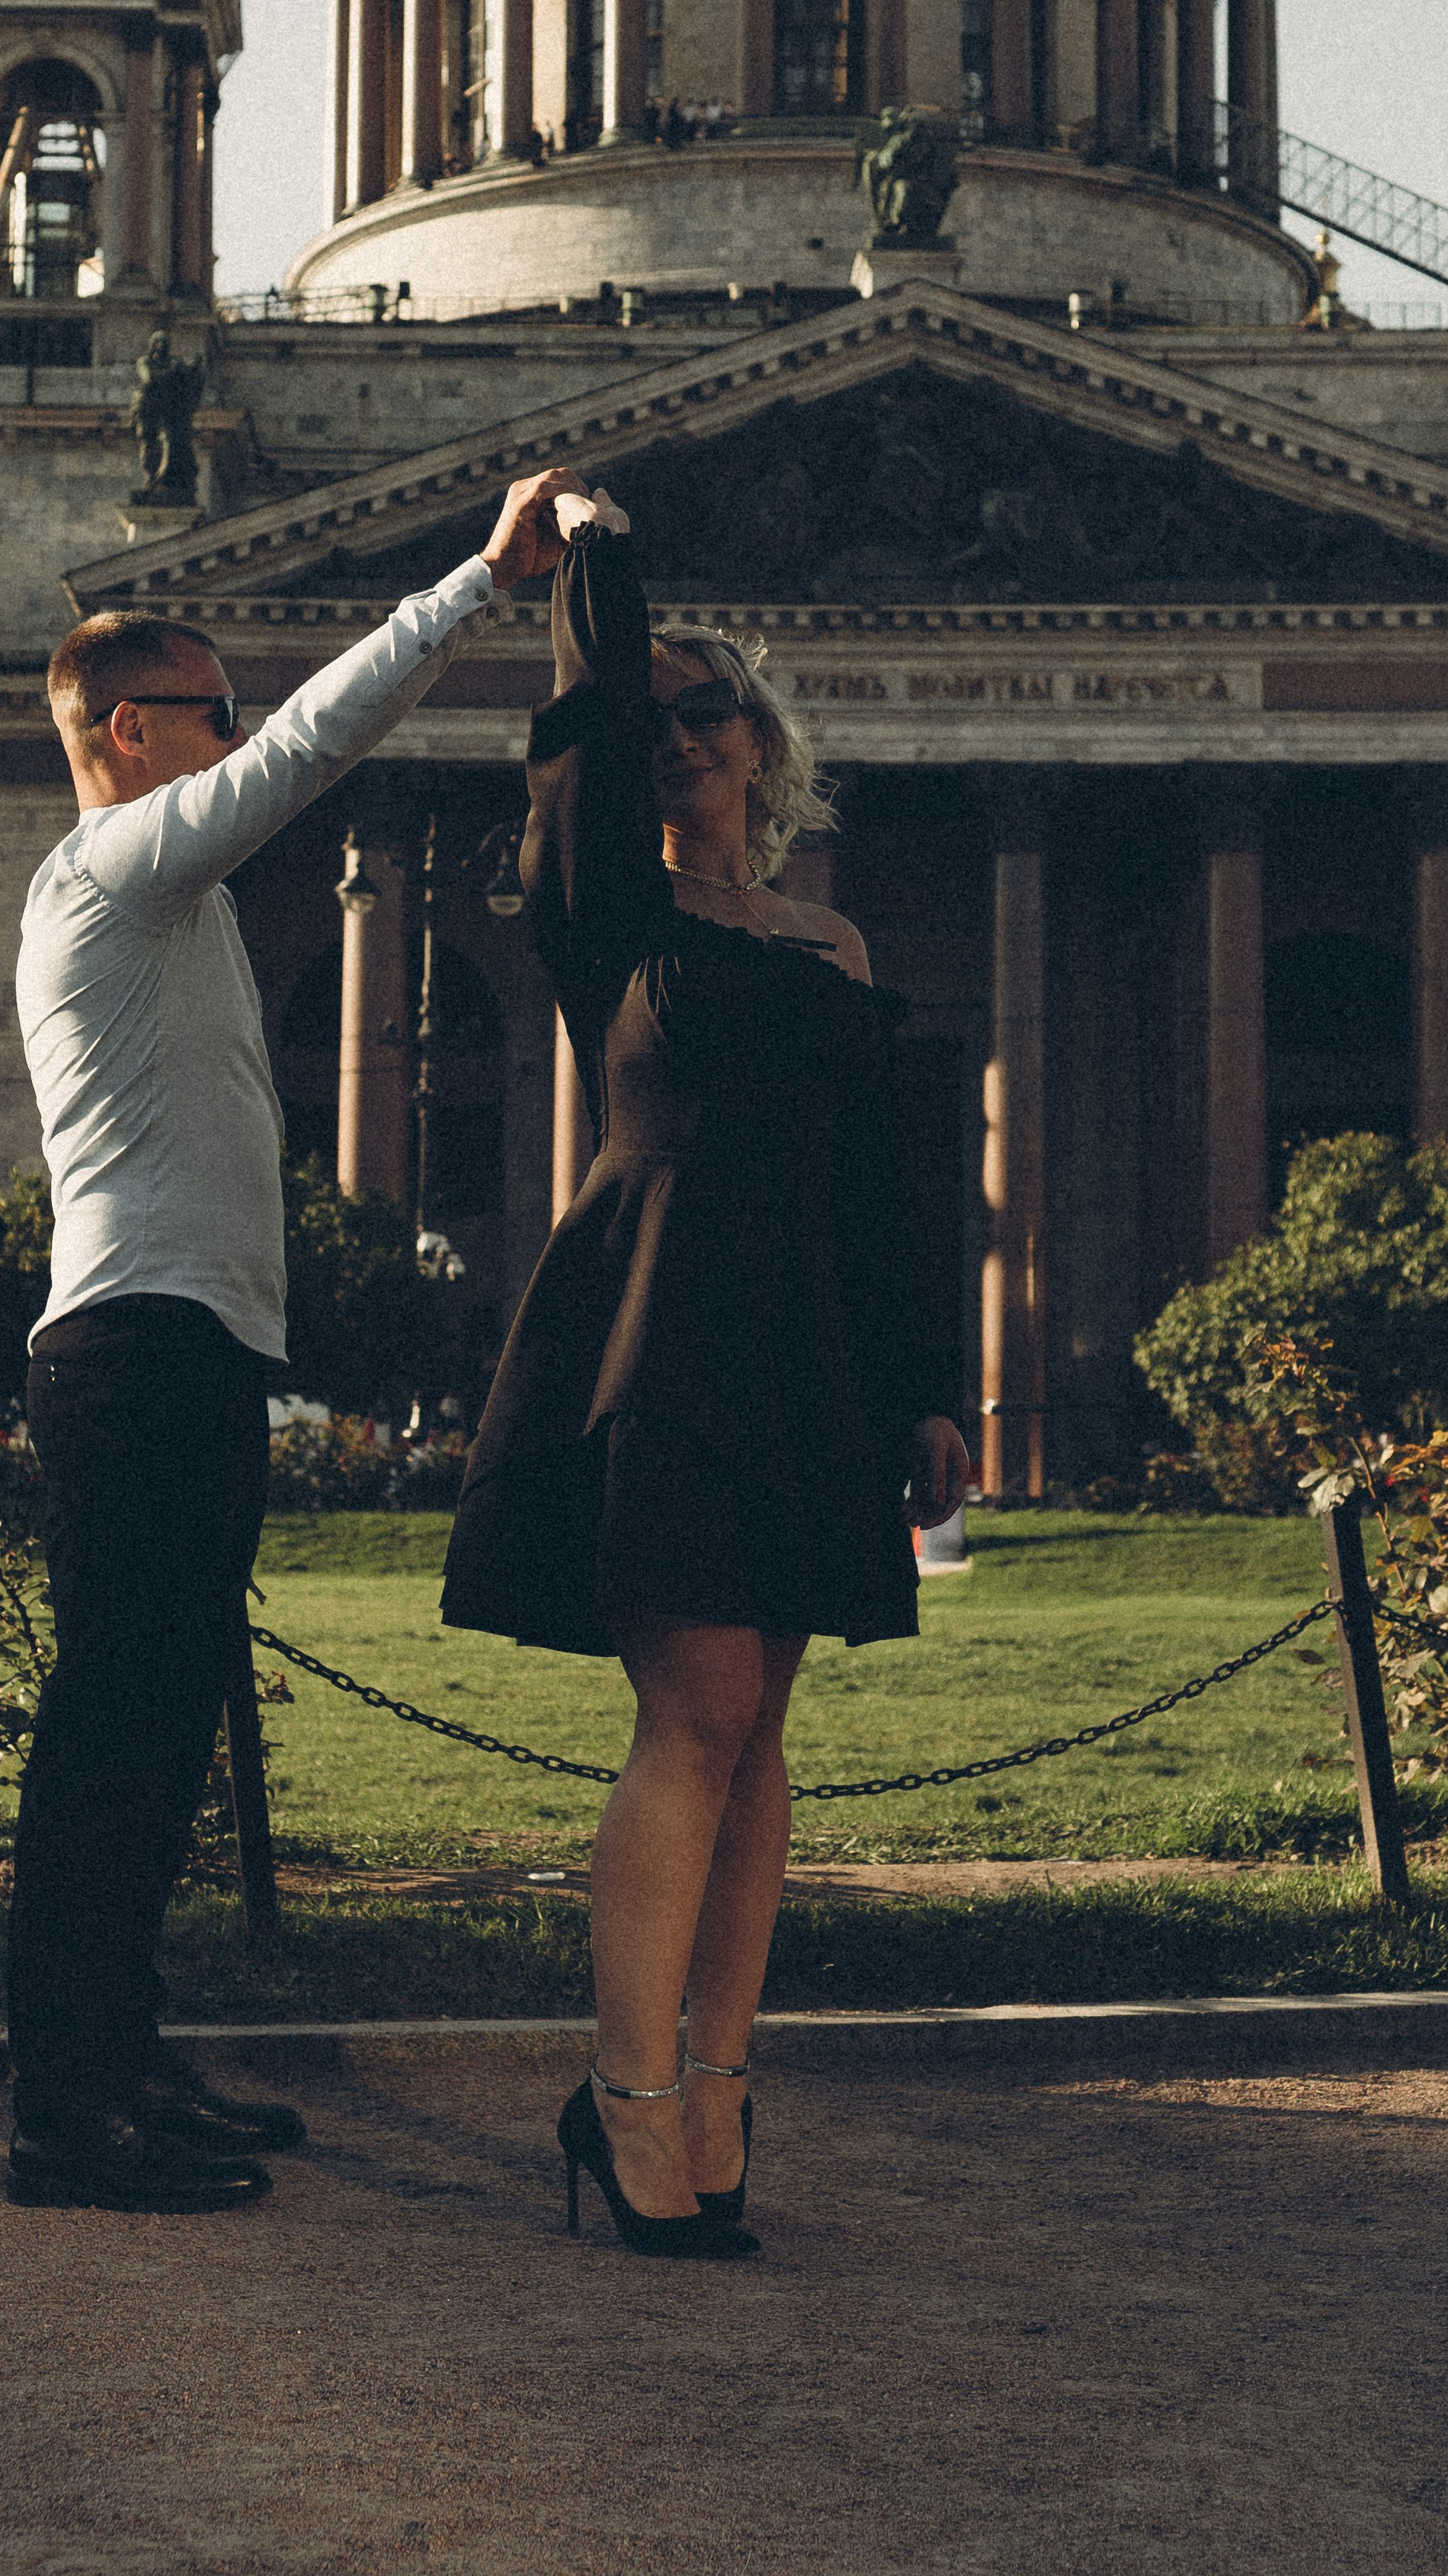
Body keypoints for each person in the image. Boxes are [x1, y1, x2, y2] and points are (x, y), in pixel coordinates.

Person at [7, 466, 588, 2213]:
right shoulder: (116, 865)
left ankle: (123, 2060)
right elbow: (310, 756)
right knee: (115, 1733)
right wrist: (475, 588)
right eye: (208, 712)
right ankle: (62, 2113)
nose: (234, 734)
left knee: (162, 1725)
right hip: (136, 1348)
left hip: (181, 1343)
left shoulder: (141, 901)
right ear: (125, 730)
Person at [440, 494, 968, 2261]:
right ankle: (627, 2097)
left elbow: (886, 1188)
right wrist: (598, 564)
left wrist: (929, 1389)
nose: (672, 736)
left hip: (806, 1345)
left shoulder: (831, 948)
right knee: (693, 1713)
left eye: (703, 711)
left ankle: (721, 2082)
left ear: (760, 745)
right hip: (654, 1327)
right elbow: (583, 739)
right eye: (649, 714)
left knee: (761, 1736)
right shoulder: (598, 911)